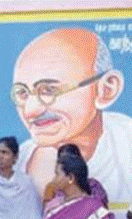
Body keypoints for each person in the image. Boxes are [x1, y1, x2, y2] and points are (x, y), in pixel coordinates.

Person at [11, 28, 131, 203]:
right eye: (22, 93)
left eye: (48, 90)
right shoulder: (17, 164)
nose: (30, 111)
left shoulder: (126, 143)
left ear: (106, 89)